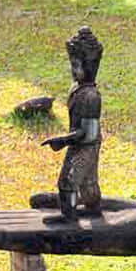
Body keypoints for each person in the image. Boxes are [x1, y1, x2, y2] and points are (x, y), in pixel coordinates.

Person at [42, 27, 104, 217]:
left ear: (90, 67)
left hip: (85, 144)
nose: (73, 70)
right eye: (72, 65)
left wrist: (63, 140)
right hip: (80, 141)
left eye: (76, 65)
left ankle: (69, 221)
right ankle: (93, 210)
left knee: (68, 182)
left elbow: (89, 133)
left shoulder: (91, 97)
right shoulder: (77, 89)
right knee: (88, 181)